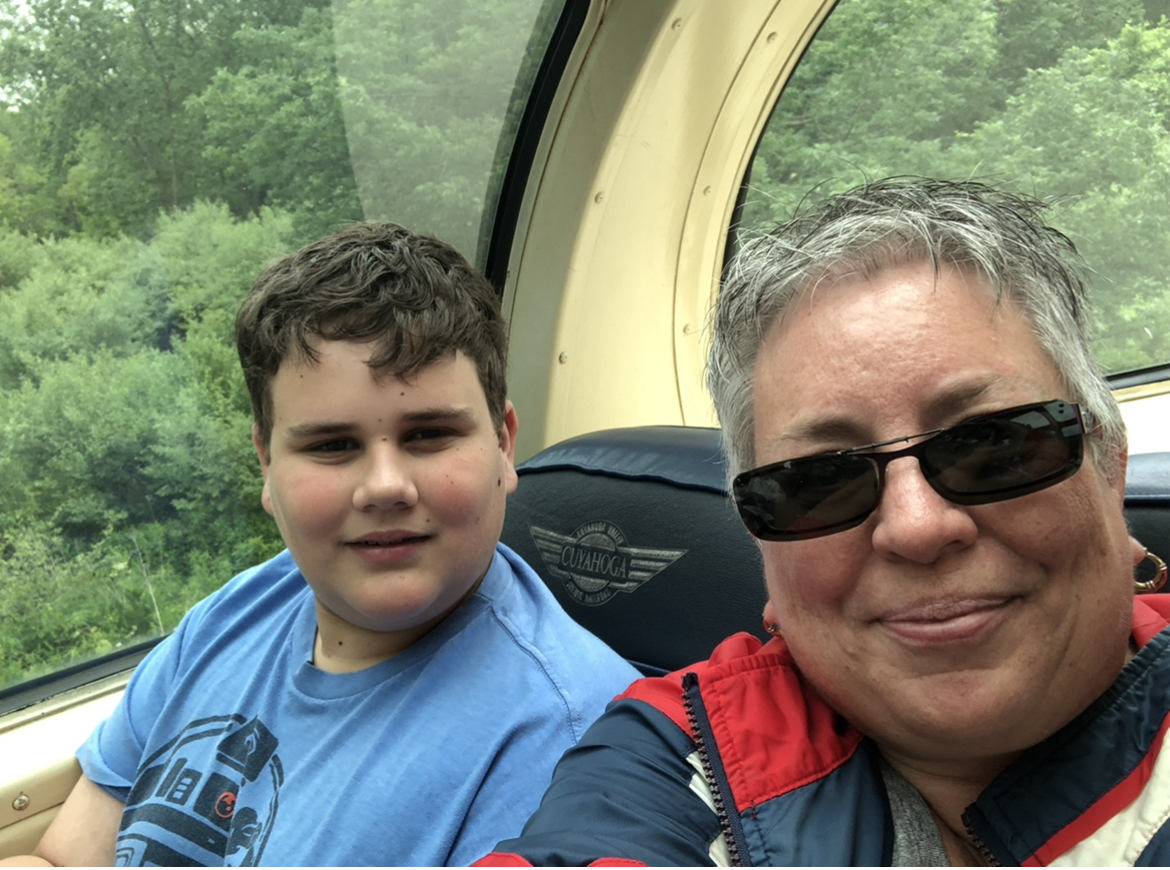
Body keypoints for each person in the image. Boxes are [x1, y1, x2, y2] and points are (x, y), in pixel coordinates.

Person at [477, 179, 1170, 866]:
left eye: (992, 447)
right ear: (764, 551)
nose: (916, 528)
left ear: (1109, 464)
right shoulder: (679, 754)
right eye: (819, 482)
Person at [7, 223, 638, 867]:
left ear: (503, 444)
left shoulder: (581, 747)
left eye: (428, 434)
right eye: (332, 445)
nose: (385, 486)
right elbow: (60, 858)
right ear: (266, 464)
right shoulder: (232, 616)